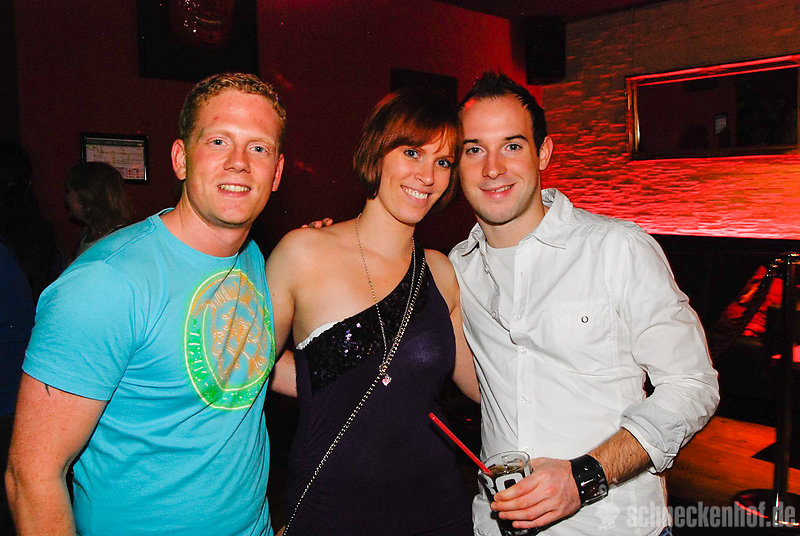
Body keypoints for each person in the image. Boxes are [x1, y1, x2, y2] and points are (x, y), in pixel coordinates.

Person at [6, 72, 286, 536]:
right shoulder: (105, 283)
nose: (239, 162)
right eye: (218, 141)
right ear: (181, 159)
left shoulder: (251, 258)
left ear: (276, 173)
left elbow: (242, 362)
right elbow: (31, 477)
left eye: (258, 148)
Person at [448, 72, 719, 535]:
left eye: (511, 145)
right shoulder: (458, 268)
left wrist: (585, 476)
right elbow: (488, 384)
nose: (492, 168)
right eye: (474, 149)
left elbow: (692, 385)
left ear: (543, 153)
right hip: (497, 526)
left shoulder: (616, 248)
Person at [266, 87, 480, 535]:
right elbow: (250, 367)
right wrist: (328, 382)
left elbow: (482, 388)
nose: (427, 175)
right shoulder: (303, 252)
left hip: (436, 506)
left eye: (443, 162)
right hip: (332, 506)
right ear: (377, 153)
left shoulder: (441, 272)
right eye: (412, 152)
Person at [65, 161, 135, 259]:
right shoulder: (88, 233)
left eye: (69, 191)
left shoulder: (120, 241)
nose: (66, 197)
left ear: (85, 196)